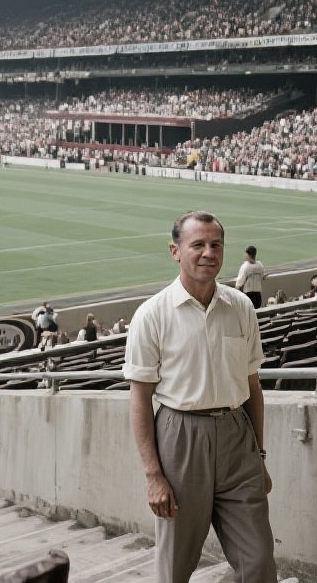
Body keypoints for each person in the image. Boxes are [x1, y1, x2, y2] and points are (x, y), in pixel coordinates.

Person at [123, 210, 276, 583]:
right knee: (175, 566)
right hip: (180, 438)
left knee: (258, 562)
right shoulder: (152, 314)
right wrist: (153, 475)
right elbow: (140, 399)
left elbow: (253, 387)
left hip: (238, 438)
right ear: (175, 251)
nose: (209, 252)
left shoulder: (241, 307)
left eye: (216, 244)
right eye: (198, 245)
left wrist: (259, 455)